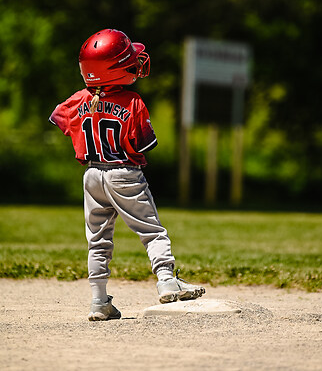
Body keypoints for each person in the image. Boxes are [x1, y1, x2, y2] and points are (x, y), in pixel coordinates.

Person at [49, 28, 205, 321]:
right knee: (151, 230)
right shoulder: (133, 101)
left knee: (97, 240)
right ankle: (167, 280)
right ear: (116, 70)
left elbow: (59, 117)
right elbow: (148, 144)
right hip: (124, 174)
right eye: (128, 60)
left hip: (92, 175)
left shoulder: (77, 99)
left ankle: (99, 301)